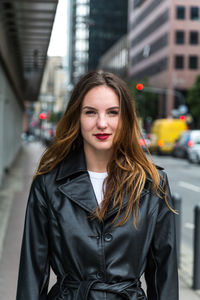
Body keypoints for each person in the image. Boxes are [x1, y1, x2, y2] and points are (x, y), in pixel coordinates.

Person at [16, 70, 179, 300]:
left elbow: (164, 276)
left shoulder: (152, 184)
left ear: (125, 119)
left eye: (113, 113)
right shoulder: (48, 184)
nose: (102, 123)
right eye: (90, 112)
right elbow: (32, 274)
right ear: (77, 118)